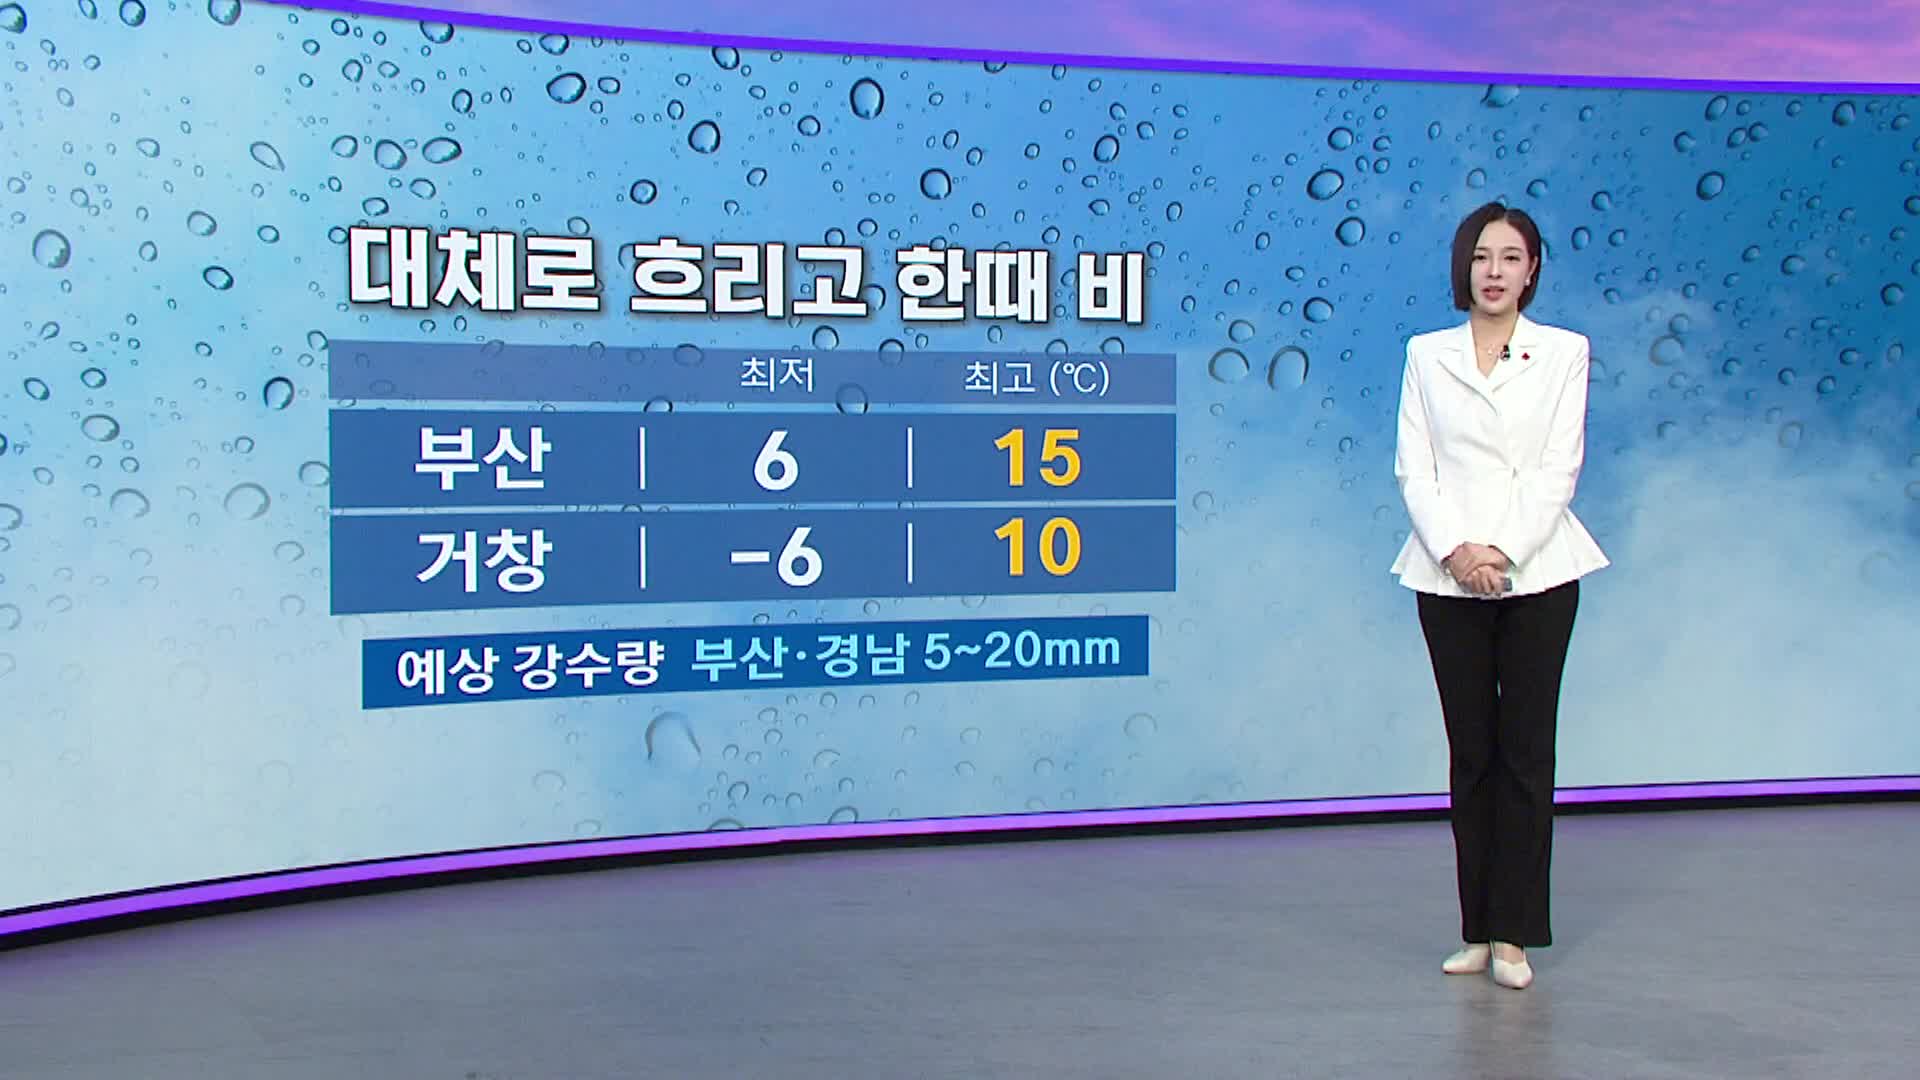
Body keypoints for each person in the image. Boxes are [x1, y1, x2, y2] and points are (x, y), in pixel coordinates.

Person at [1390, 200, 1610, 990]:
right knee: (1471, 755)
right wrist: (1457, 552)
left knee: (1525, 754)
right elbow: (1415, 467)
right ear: (1465, 266)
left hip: (1538, 571)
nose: (1494, 272)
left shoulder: (1564, 352)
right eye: (1483, 257)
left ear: (1532, 270)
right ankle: (1477, 930)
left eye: (1511, 258)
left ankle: (1514, 935)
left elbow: (1558, 467)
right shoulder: (1427, 354)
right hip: (1444, 573)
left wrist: (1503, 552)